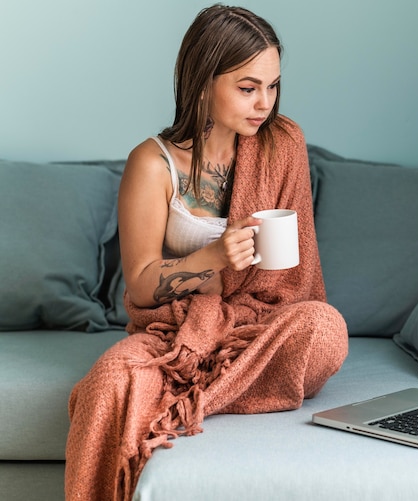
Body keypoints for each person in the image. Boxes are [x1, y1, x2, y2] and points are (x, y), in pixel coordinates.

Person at [64, 5, 348, 500]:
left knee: (324, 329)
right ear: (201, 82)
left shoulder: (284, 143)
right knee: (111, 377)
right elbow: (141, 284)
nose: (265, 103)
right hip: (175, 333)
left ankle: (183, 402)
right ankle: (201, 383)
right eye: (248, 87)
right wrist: (214, 257)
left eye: (273, 85)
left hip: (255, 328)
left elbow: (297, 280)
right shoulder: (152, 164)